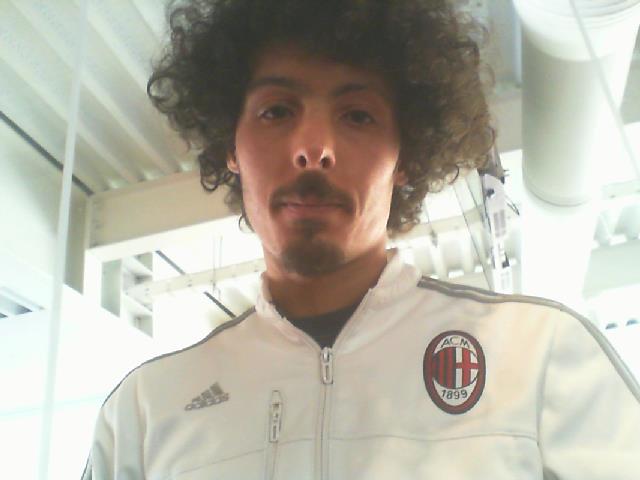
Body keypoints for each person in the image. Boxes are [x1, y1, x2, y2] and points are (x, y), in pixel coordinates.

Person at [82, 0, 640, 478]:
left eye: (357, 116)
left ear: (406, 156)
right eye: (277, 111)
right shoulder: (145, 414)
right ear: (232, 145)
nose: (314, 147)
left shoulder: (540, 356)